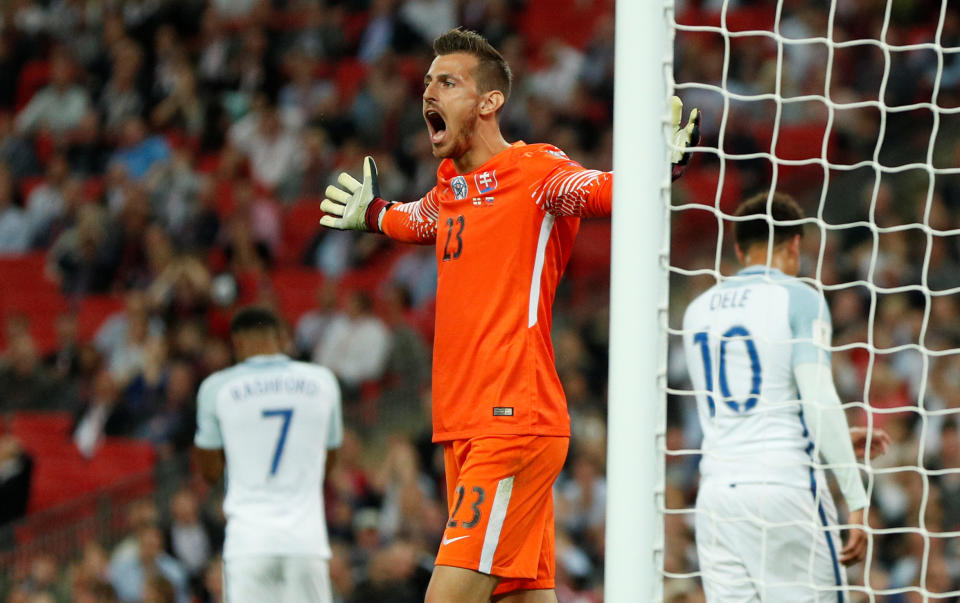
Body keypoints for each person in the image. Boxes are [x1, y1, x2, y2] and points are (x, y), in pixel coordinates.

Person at [319, 28, 699, 603]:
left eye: (448, 82)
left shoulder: (537, 172)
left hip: (511, 418)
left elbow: (594, 191)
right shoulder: (453, 187)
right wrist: (372, 214)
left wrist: (655, 170)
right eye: (427, 82)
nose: (429, 92)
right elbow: (420, 220)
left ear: (489, 101)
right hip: (464, 426)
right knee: (518, 596)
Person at [681, 192, 890, 601]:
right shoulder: (799, 298)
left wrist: (836, 445)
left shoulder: (697, 311)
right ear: (795, 244)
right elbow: (818, 398)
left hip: (717, 500)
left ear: (740, 250)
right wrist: (856, 498)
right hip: (786, 491)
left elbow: (748, 412)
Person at [193, 307, 343, 603]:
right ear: (282, 338)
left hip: (249, 543)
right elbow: (330, 459)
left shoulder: (217, 388)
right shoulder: (323, 382)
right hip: (306, 540)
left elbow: (209, 472)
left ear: (237, 343)